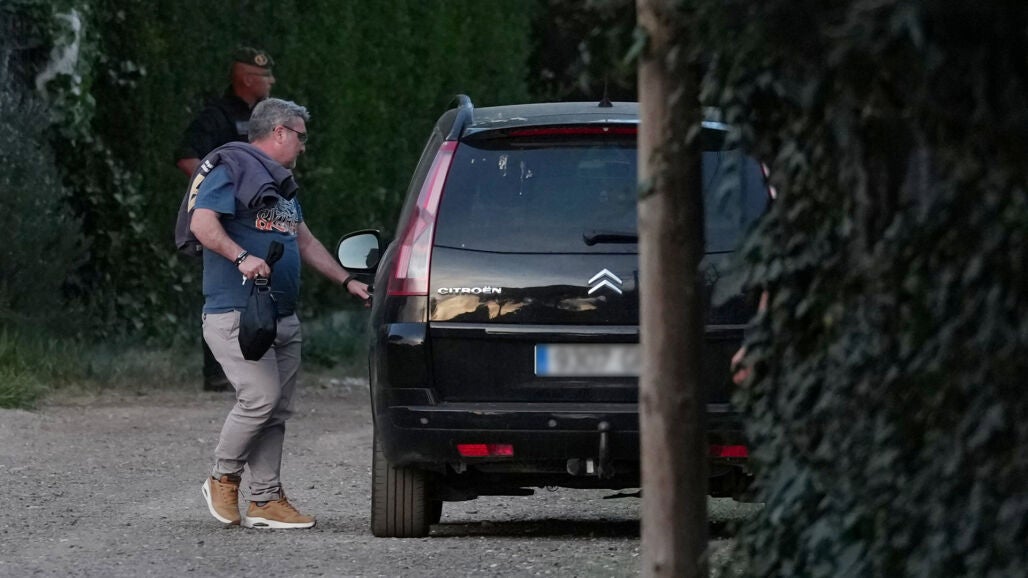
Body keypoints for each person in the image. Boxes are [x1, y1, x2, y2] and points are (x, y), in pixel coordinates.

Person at [190, 98, 370, 529]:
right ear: (279, 132)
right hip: (238, 313)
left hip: (281, 316)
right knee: (260, 398)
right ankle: (222, 477)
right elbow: (202, 224)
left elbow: (304, 241)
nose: (303, 146)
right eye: (301, 137)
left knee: (276, 410)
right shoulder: (232, 168)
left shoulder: (277, 183)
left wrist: (346, 280)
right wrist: (241, 258)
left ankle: (266, 499)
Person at [175, 47, 276, 391]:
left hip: (260, 215)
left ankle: (253, 363)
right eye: (264, 76)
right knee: (223, 292)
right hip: (226, 217)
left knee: (260, 286)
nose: (271, 81)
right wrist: (221, 190)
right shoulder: (216, 117)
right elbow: (188, 158)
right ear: (246, 79)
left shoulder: (266, 116)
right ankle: (217, 371)